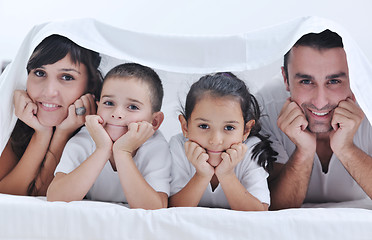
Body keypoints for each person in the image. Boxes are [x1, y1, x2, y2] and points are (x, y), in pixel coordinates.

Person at [259, 29, 372, 210]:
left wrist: (346, 149)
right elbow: (273, 209)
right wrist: (304, 151)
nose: (320, 102)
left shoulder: (369, 104)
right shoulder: (265, 108)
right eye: (306, 81)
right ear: (286, 79)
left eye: (334, 81)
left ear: (355, 79)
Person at [47, 63, 171, 210]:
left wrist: (122, 152)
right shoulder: (84, 140)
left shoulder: (155, 147)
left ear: (155, 121)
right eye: (109, 103)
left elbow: (155, 208)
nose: (117, 113)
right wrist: (102, 149)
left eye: (132, 107)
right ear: (97, 106)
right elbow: (56, 198)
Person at [0, 34, 102, 196]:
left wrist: (62, 134)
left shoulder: (103, 130)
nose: (49, 92)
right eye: (40, 73)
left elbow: (46, 195)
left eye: (67, 77)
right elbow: (7, 195)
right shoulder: (10, 115)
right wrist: (41, 135)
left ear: (90, 84)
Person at [168, 72, 277, 211]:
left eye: (229, 127)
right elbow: (171, 210)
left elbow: (259, 212)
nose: (215, 140)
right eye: (204, 126)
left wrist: (227, 175)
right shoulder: (179, 146)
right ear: (185, 126)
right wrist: (202, 175)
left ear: (246, 130)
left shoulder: (251, 150)